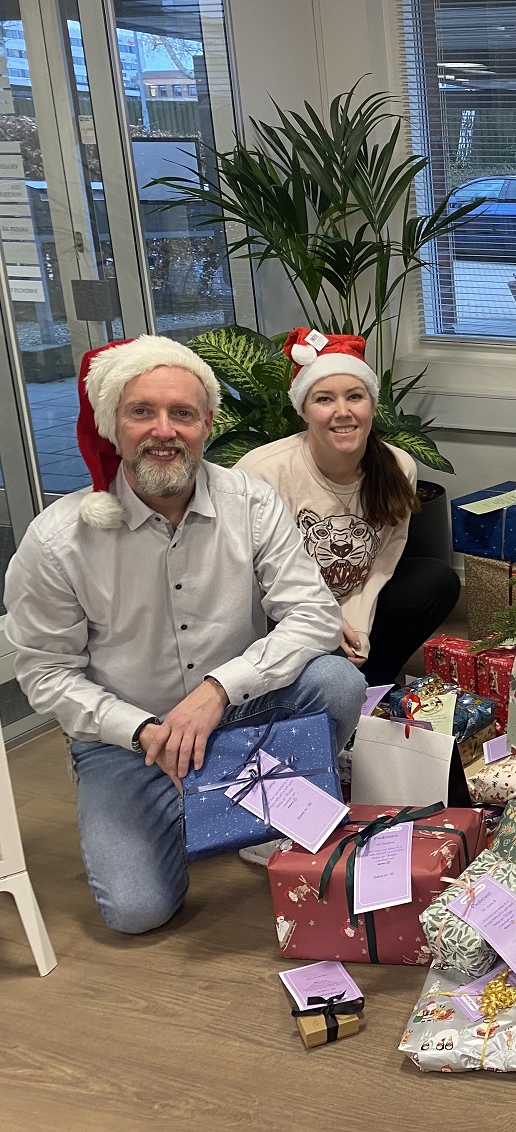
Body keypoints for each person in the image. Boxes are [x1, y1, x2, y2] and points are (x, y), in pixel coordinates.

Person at [4, 336, 366, 934]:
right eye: (141, 412)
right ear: (111, 425)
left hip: (238, 711)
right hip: (129, 737)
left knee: (337, 682)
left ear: (207, 425)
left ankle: (244, 795)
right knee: (137, 912)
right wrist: (142, 730)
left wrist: (218, 690)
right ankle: (198, 795)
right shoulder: (57, 541)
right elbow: (45, 672)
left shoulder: (251, 503)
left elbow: (313, 615)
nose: (164, 430)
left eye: (183, 413)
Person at [236, 329, 459, 687]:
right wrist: (323, 622)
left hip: (348, 597)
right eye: (324, 399)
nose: (343, 412)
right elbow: (251, 580)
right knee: (320, 669)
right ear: (303, 410)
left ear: (372, 404)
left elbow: (382, 560)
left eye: (355, 397)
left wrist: (358, 627)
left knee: (436, 580)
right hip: (280, 612)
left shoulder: (399, 467)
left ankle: (370, 682)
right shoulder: (261, 472)